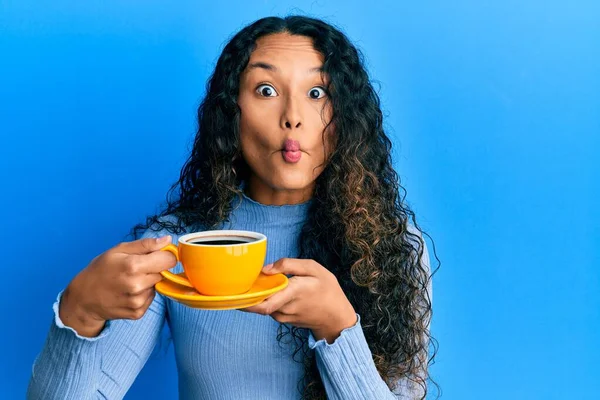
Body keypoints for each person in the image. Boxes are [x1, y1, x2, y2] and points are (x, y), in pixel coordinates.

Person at [27, 15, 438, 400]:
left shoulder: (392, 248)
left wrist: (337, 327)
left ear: (346, 115)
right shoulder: (175, 245)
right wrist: (78, 310)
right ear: (231, 113)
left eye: (317, 93)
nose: (292, 117)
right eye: (266, 90)